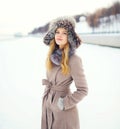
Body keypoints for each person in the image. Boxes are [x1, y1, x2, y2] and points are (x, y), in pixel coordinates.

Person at [41, 16, 88, 129]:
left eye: (64, 33)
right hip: (48, 105)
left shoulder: (74, 59)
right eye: (57, 32)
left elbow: (83, 90)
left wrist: (63, 103)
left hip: (64, 112)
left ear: (70, 37)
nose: (59, 35)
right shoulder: (51, 56)